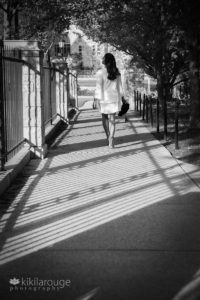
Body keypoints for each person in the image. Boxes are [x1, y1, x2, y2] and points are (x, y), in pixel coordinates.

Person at [95, 53, 123, 148]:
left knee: (105, 118)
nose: (102, 59)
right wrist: (121, 99)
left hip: (104, 99)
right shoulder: (117, 72)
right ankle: (111, 137)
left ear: (105, 61)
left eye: (103, 58)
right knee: (112, 119)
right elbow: (120, 87)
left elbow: (98, 87)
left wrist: (97, 99)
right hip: (114, 98)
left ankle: (108, 136)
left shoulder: (100, 72)